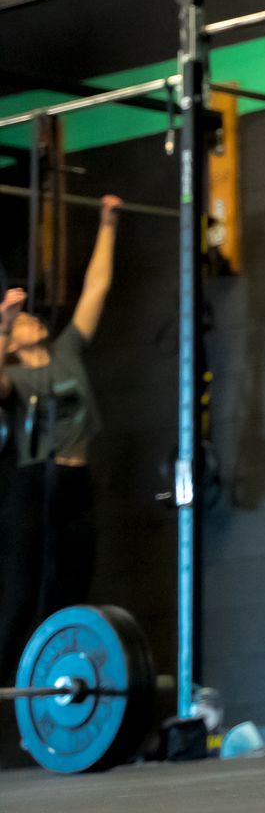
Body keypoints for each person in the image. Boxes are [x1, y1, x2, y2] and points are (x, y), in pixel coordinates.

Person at [1, 194, 121, 695]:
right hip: (34, 489)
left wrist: (108, 224)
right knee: (24, 596)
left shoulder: (67, 349)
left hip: (75, 482)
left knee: (71, 597)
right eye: (23, 321)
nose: (35, 318)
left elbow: (97, 286)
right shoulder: (10, 378)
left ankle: (59, 694)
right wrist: (2, 321)